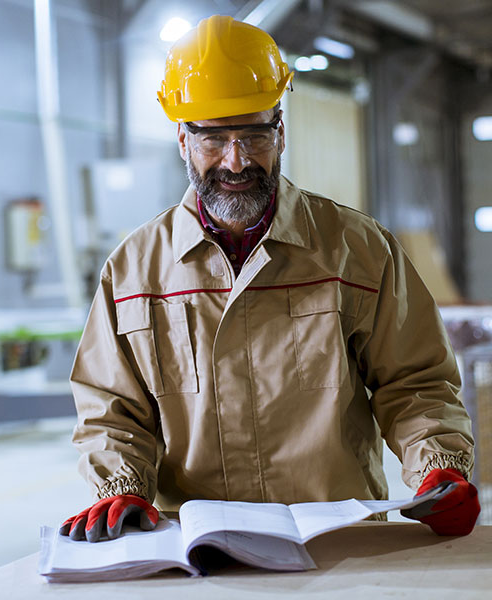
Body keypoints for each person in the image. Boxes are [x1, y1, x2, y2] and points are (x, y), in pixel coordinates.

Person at [60, 15, 480, 543]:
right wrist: (121, 484)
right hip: (195, 545)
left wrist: (438, 466)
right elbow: (111, 408)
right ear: (182, 139)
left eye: (254, 134)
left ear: (279, 131)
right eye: (213, 137)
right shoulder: (134, 268)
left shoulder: (359, 250)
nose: (235, 160)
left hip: (339, 543)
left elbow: (415, 385)